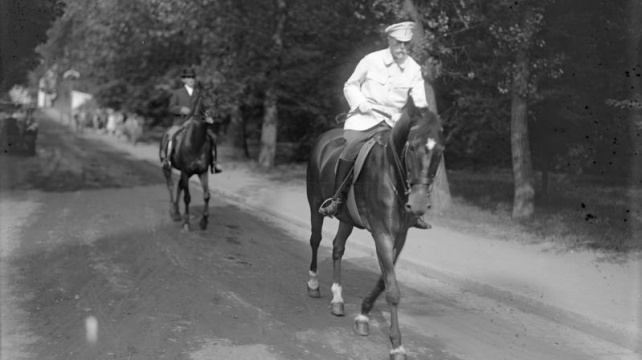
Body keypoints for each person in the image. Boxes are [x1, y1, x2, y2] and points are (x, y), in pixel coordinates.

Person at [318, 21, 433, 229]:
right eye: (399, 43)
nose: (402, 48)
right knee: (351, 146)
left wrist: (423, 119)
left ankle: (413, 210)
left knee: (414, 154)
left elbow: (420, 101)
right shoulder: (371, 61)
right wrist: (361, 104)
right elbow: (350, 85)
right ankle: (336, 199)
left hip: (393, 124)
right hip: (365, 119)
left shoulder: (414, 69)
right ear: (389, 41)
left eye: (406, 44)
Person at [160, 68, 222, 173]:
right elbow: (171, 107)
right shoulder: (177, 93)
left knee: (212, 137)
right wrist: (181, 109)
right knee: (170, 136)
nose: (191, 79)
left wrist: (207, 116)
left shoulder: (200, 93)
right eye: (188, 77)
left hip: (197, 123)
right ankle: (167, 160)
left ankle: (214, 163)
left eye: (193, 77)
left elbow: (204, 107)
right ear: (183, 80)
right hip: (180, 122)